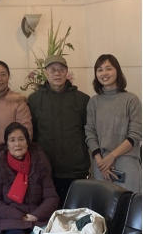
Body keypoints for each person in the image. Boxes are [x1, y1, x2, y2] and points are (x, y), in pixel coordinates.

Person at [0, 123, 59, 234]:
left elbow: (51, 197)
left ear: (27, 142)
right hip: (11, 222)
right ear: (7, 144)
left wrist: (36, 215)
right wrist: (21, 216)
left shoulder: (40, 164)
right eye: (12, 140)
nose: (17, 144)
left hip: (39, 221)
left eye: (21, 139)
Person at [28, 55, 91, 205]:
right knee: (51, 210)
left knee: (76, 211)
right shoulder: (34, 99)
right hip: (46, 168)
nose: (57, 73)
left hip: (75, 169)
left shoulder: (82, 99)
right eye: (52, 70)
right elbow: (33, 133)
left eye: (61, 69)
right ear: (45, 72)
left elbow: (88, 131)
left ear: (67, 72)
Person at [86, 54, 142, 193]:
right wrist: (101, 162)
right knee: (103, 204)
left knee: (129, 203)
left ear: (117, 71)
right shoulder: (93, 102)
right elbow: (90, 132)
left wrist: (111, 157)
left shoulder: (131, 100)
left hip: (127, 163)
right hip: (101, 165)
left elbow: (135, 134)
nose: (104, 73)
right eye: (99, 70)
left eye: (108, 68)